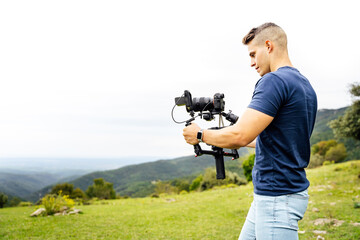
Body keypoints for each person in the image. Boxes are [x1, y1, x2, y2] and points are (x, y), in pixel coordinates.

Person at [182, 22, 317, 240]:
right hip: (275, 195)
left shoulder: (273, 81)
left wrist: (200, 134)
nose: (252, 63)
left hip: (276, 197)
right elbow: (279, 139)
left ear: (269, 45)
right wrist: (227, 137)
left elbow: (240, 135)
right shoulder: (304, 85)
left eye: (253, 55)